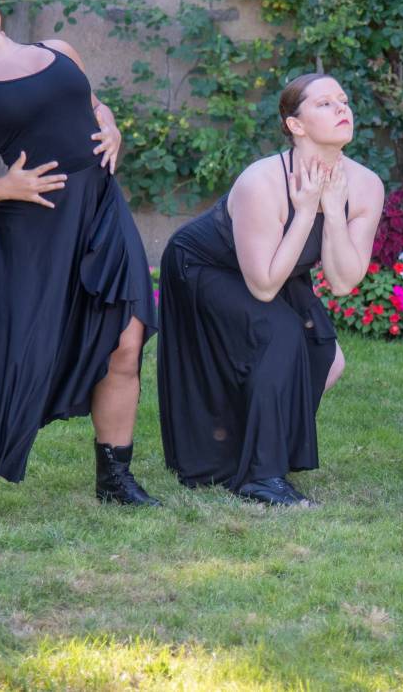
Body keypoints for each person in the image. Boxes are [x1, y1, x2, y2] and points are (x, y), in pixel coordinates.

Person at [0, 0, 158, 523]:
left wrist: (111, 124)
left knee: (126, 337)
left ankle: (114, 477)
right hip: (34, 222)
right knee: (2, 349)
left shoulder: (59, 49)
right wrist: (2, 185)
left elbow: (92, 106)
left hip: (100, 210)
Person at [156, 73, 384, 506]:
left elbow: (343, 282)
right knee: (278, 331)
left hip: (280, 268)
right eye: (324, 104)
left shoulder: (366, 185)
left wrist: (333, 212)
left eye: (343, 100)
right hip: (205, 265)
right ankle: (261, 476)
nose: (342, 109)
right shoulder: (262, 181)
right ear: (295, 125)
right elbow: (262, 287)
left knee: (326, 357)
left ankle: (256, 445)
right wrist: (304, 211)